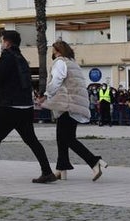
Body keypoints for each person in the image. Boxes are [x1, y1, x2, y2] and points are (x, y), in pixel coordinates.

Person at [0, 31, 57, 183]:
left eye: (1, 41)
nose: (1, 44)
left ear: (7, 43)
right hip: (25, 107)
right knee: (32, 140)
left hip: (9, 106)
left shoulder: (7, 57)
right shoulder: (22, 59)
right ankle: (47, 171)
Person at [40, 40, 107, 181]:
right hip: (75, 104)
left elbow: (57, 81)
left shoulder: (59, 62)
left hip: (68, 104)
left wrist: (46, 94)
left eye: (54, 50)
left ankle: (94, 162)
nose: (53, 53)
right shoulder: (73, 63)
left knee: (67, 138)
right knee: (62, 138)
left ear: (57, 51)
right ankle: (61, 169)